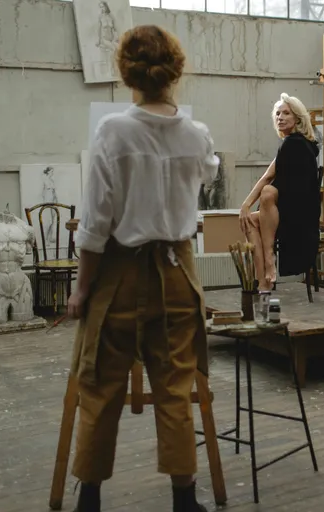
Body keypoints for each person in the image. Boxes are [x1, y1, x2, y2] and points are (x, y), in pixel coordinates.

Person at [66, 25, 215, 512]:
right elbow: (207, 175)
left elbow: (94, 225)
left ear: (126, 70)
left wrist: (81, 290)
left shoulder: (113, 131)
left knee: (100, 385)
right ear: (176, 69)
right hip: (176, 273)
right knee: (174, 388)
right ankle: (184, 499)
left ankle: (89, 497)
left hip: (120, 275)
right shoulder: (196, 136)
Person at [239, 93, 321, 291]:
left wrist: (247, 204)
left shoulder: (294, 144)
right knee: (249, 218)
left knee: (267, 193)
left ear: (297, 118)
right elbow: (268, 175)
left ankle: (268, 260)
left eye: (286, 113)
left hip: (298, 218)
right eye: (277, 113)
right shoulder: (295, 143)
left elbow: (269, 181)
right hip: (284, 214)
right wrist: (245, 206)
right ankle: (263, 281)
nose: (280, 117)